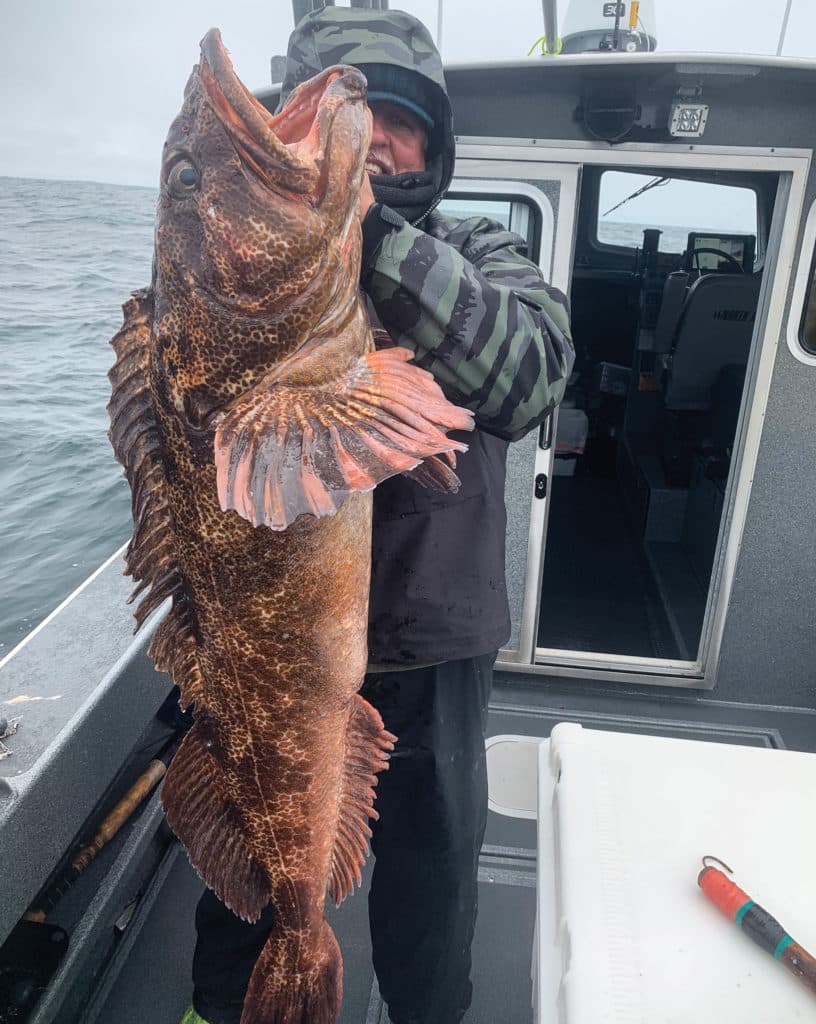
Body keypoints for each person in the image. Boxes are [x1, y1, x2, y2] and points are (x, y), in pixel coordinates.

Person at [182, 7, 574, 1024]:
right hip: (253, 667)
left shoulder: (479, 253)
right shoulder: (239, 291)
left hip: (436, 661)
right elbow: (172, 433)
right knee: (242, 914)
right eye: (361, 111)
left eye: (401, 119)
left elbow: (527, 376)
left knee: (431, 920)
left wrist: (361, 237)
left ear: (435, 148)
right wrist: (298, 237)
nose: (384, 137)